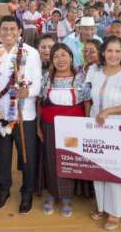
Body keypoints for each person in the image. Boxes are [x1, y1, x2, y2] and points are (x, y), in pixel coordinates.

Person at [0, 16, 42, 213]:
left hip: (24, 115)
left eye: (13, 29)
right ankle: (3, 191)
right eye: (4, 29)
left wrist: (28, 92)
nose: (8, 33)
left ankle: (27, 192)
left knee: (26, 156)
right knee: (3, 156)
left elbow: (37, 81)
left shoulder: (31, 53)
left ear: (20, 31)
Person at [84, 36, 121, 230]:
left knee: (115, 169)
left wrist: (108, 112)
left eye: (118, 51)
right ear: (103, 53)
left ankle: (115, 212)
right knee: (98, 168)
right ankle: (101, 207)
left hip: (118, 127)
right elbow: (88, 98)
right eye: (109, 51)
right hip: (96, 126)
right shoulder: (95, 71)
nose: (113, 55)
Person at [37, 43, 88, 217]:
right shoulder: (47, 78)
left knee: (68, 159)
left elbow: (86, 102)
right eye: (56, 56)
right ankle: (52, 193)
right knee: (51, 160)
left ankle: (66, 197)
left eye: (64, 55)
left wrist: (86, 126)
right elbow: (40, 103)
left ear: (71, 57)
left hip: (74, 126)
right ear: (51, 60)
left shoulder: (80, 78)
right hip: (50, 125)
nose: (60, 59)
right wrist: (38, 126)